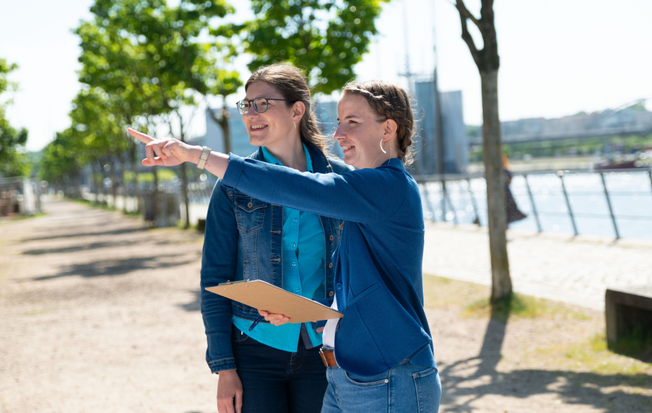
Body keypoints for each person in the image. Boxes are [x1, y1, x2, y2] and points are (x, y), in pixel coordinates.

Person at [129, 79, 442, 413]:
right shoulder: (366, 192)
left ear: (388, 129)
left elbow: (292, 186)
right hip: (353, 373)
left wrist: (196, 155)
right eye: (338, 122)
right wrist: (304, 309)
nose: (338, 134)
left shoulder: (384, 188)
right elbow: (366, 289)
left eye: (352, 122)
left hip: (387, 371)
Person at [200, 64, 352, 413]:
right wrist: (224, 367)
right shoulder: (231, 186)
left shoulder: (342, 182)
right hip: (252, 348)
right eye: (246, 105)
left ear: (297, 110)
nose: (250, 114)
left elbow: (360, 271)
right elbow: (214, 279)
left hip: (325, 349)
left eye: (263, 104)